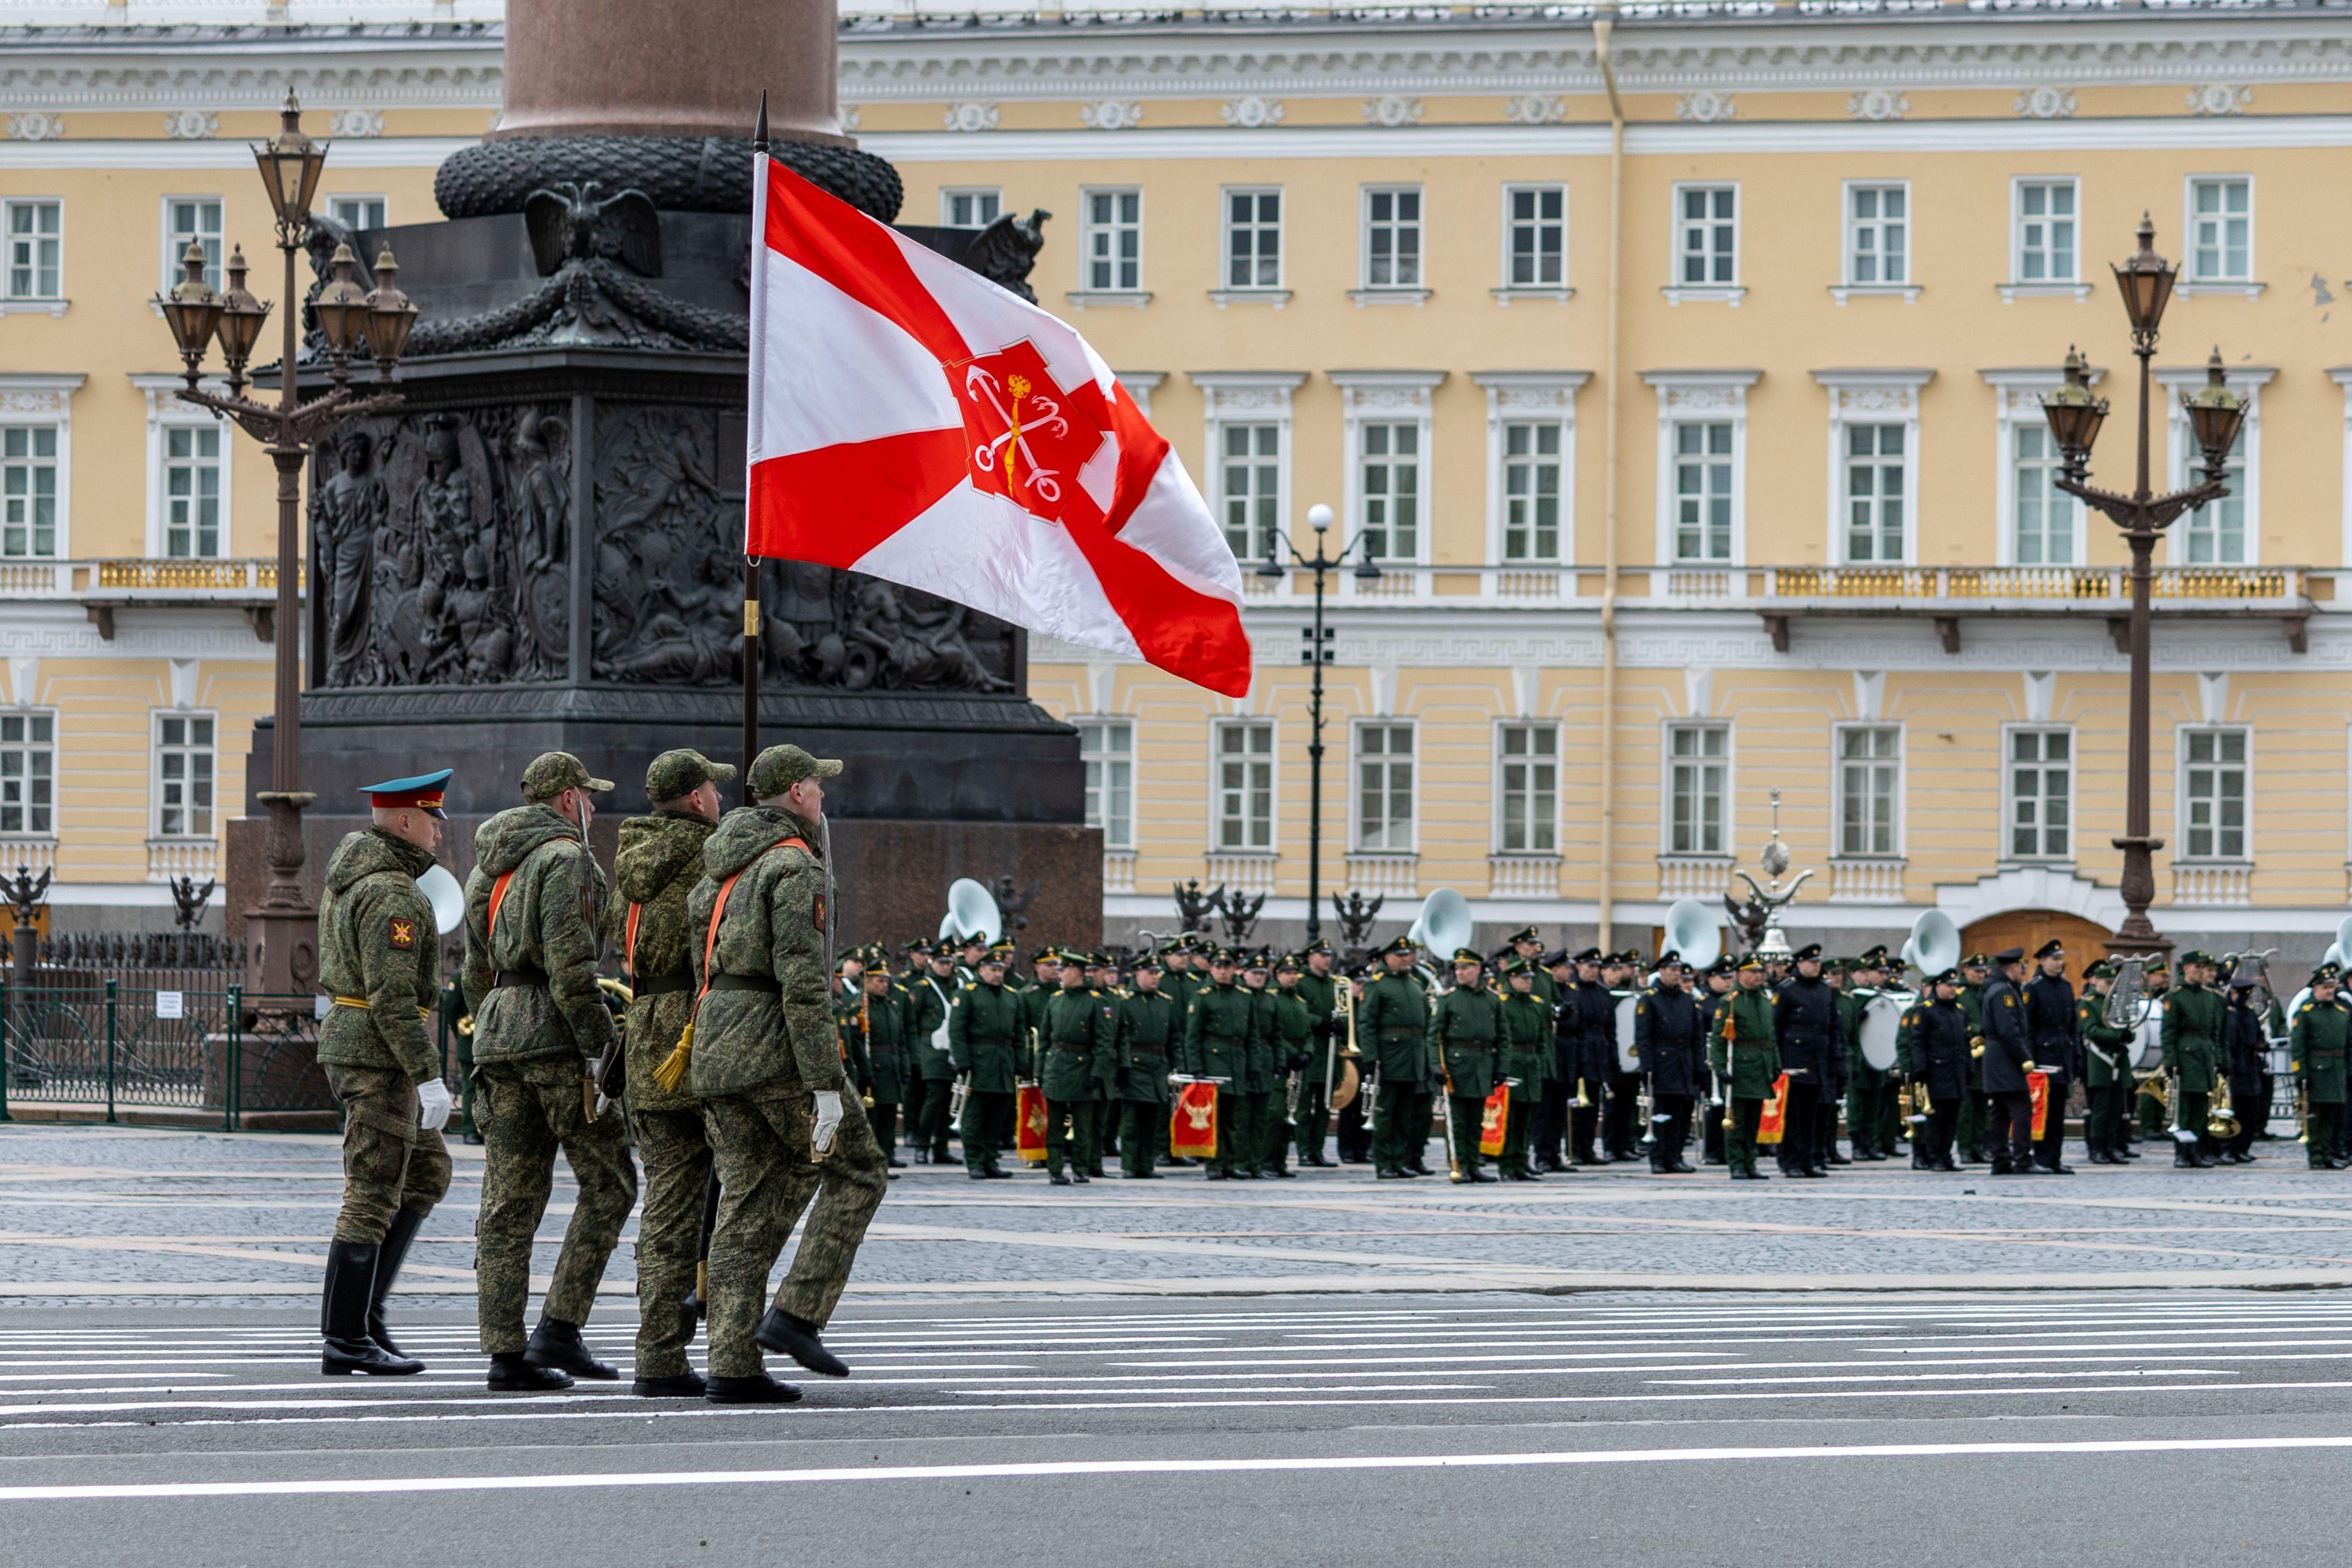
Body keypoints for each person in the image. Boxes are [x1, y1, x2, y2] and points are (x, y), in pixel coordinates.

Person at [689, 743, 887, 1404]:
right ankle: (798, 1314)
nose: (823, 798)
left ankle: (732, 1362)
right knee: (859, 1168)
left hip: (717, 1047)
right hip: (773, 1048)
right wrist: (826, 1084)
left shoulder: (720, 866)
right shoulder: (793, 866)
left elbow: (703, 963)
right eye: (818, 787)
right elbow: (804, 986)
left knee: (743, 1205)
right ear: (798, 792)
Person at [461, 751, 638, 1392]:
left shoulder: (490, 869)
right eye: (588, 798)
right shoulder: (567, 860)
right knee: (611, 1181)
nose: (592, 809)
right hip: (557, 1042)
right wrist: (604, 1049)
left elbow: (472, 969)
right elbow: (572, 969)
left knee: (508, 1201)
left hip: (500, 1037)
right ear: (567, 799)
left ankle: (504, 1351)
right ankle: (560, 1326)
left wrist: (496, 1021)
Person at [314, 768, 458, 1376]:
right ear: (404, 821)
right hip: (377, 1054)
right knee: (372, 1189)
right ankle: (346, 1336)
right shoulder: (392, 892)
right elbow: (394, 998)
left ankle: (367, 1317)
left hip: (367, 1047)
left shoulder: (365, 878)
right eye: (431, 822)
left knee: (426, 1171)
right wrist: (429, 1076)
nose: (439, 835)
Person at [606, 747, 734, 1398]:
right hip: (696, 1026)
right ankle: (726, 1339)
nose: (718, 796)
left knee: (666, 1201)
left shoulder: (632, 853)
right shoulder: (711, 854)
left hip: (645, 1027)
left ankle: (657, 1351)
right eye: (712, 788)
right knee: (732, 1189)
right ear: (694, 798)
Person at [1359, 936, 1435, 1179]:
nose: (1406, 959)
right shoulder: (1377, 984)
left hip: (1413, 1056)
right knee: (1386, 1112)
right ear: (1387, 958)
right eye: (1400, 955)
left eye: (1407, 955)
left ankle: (1400, 1160)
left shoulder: (1413, 985)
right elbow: (1367, 1024)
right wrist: (1371, 1056)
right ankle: (1384, 1162)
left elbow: (1426, 1024)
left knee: (1405, 1114)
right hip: (1389, 1056)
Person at [1428, 949, 1502, 1183]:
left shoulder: (1492, 999)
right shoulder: (1449, 999)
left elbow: (1503, 1037)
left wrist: (1502, 1067)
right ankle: (1458, 1163)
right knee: (1458, 1120)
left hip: (1483, 1063)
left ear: (1477, 969)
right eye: (1457, 969)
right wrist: (1436, 1067)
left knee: (1476, 1119)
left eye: (1465, 968)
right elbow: (1433, 1036)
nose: (1460, 973)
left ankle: (1473, 1163)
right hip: (1457, 1064)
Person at [1181, 948, 1256, 1179]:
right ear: (1211, 969)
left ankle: (1229, 1164)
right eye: (1218, 967)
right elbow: (1192, 1036)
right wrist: (1196, 1067)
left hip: (1237, 1061)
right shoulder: (1203, 996)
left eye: (1227, 967)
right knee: (1212, 1117)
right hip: (1213, 1060)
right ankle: (1213, 1165)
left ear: (1234, 969)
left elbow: (1252, 1035)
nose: (1223, 971)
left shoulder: (1245, 996)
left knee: (1233, 1119)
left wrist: (1253, 1066)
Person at [949, 948, 1023, 1179]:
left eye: (1001, 969)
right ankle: (975, 1162)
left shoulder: (1012, 995)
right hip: (978, 1062)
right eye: (993, 969)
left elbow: (1019, 1034)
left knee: (997, 1117)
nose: (998, 974)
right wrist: (963, 1061)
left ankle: (991, 1160)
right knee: (974, 1116)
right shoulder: (968, 994)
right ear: (981, 970)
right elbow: (957, 1031)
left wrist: (1021, 1063)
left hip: (1003, 1061)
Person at [1037, 949, 1109, 1186]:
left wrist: (1096, 1073)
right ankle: (1055, 1168)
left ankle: (1081, 1168)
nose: (1060, 974)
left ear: (1076, 972)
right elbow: (1044, 1040)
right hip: (1058, 1066)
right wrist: (1040, 1071)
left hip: (1083, 1066)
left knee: (1083, 1125)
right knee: (1055, 1124)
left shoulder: (1096, 1002)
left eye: (1063, 970)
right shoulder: (1055, 999)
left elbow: (1103, 1042)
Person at [1105, 952, 1179, 1177]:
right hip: (1134, 1064)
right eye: (1150, 973)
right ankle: (1129, 1164)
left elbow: (1174, 1038)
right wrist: (1122, 1066)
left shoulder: (1165, 1002)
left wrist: (1177, 1066)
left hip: (1158, 1065)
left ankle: (1146, 1164)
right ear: (1137, 974)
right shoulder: (1124, 1001)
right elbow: (1118, 1037)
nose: (1155, 978)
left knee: (1152, 1119)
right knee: (1131, 1120)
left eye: (1157, 973)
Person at [1711, 956, 1779, 1180]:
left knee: (1753, 1121)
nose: (1759, 976)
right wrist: (1720, 1067)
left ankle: (1750, 1162)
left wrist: (1776, 1064)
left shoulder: (1763, 999)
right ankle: (1737, 1164)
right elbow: (1720, 1040)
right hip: (1739, 1066)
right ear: (1741, 974)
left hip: (1760, 1067)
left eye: (1761, 972)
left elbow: (1771, 1037)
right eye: (1753, 972)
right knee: (1736, 1120)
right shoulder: (1730, 1001)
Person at [1772, 944, 1837, 1178]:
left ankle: (1807, 1160)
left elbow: (1833, 1028)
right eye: (1812, 962)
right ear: (1799, 964)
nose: (1816, 966)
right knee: (1793, 1116)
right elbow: (1776, 1028)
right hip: (1794, 1061)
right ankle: (1790, 1161)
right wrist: (1777, 1063)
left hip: (1817, 1061)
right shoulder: (1787, 990)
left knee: (1812, 1116)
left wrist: (1835, 1061)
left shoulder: (1824, 991)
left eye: (1818, 963)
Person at [1635, 955, 1702, 1175]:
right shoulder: (1650, 999)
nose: (1676, 974)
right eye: (1672, 970)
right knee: (1661, 1113)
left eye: (1678, 970)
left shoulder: (1687, 999)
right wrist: (1647, 1067)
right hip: (1662, 1061)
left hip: (1683, 1061)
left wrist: (1699, 1065)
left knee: (1682, 1113)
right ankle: (1658, 1157)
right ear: (1661, 971)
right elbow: (1643, 1038)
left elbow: (1697, 1036)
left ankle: (1675, 1156)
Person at [1900, 969, 1970, 1172]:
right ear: (1937, 986)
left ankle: (1946, 1155)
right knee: (1935, 1118)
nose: (1952, 990)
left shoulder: (1959, 1011)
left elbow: (1965, 1043)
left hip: (1956, 1072)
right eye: (1949, 986)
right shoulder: (1925, 1010)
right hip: (1935, 1072)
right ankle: (1934, 1156)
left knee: (1951, 1119)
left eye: (1955, 986)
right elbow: (1917, 1041)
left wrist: (1969, 1068)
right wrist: (1920, 1069)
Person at [2162, 951, 2227, 1169]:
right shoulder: (2176, 997)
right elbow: (2169, 1033)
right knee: (2184, 1109)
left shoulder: (2210, 997)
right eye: (2197, 967)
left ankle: (2195, 1151)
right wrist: (2171, 1061)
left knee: (2200, 1109)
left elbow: (2215, 1033)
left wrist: (2218, 1058)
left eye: (2204, 968)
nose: (2201, 972)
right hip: (2185, 1056)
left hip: (2204, 1056)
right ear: (2186, 968)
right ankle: (2182, 1153)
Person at [2022, 939, 2079, 1174]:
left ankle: (2055, 1157)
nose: (2058, 964)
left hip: (2061, 1054)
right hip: (2042, 1055)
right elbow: (2028, 1027)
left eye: (2060, 959)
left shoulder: (2065, 987)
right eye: (2054, 959)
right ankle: (2042, 1156)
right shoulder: (2032, 988)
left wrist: (2074, 1055)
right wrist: (2030, 1059)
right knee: (2041, 1112)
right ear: (2042, 961)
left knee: (2057, 1113)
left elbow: (2072, 1026)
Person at [1978, 947, 2036, 1175]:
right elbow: (2008, 1029)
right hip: (2005, 1057)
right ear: (2013, 967)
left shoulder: (1997, 988)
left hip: (1996, 1056)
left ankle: (2000, 1159)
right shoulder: (2004, 993)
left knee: (2000, 1111)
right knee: (2021, 1108)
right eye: (2020, 968)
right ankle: (2023, 1158)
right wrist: (2024, 1057)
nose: (2022, 972)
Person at [1497, 956, 1552, 1180]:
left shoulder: (1535, 1004)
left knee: (1526, 1118)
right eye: (1523, 978)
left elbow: (1541, 1038)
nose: (1528, 982)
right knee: (1510, 1118)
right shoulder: (1503, 1003)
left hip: (1530, 1063)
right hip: (1513, 1061)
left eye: (1530, 978)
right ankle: (1508, 1164)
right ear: (1511, 978)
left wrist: (1540, 1062)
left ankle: (1521, 1160)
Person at [2078, 960, 2136, 1165]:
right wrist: (2118, 1035)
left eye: (2114, 983)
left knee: (2116, 1107)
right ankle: (2097, 1148)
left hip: (2119, 1059)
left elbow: (2128, 1026)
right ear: (2097, 981)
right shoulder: (2089, 1003)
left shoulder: (2116, 1003)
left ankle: (2112, 1146)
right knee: (2101, 1108)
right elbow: (2091, 1030)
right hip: (2099, 1059)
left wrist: (2128, 1035)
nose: (2111, 986)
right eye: (2107, 982)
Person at [2292, 967, 2348, 1170]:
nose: (2329, 991)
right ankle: (2316, 1155)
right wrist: (2301, 1073)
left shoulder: (2341, 1014)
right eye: (2325, 987)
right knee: (2315, 1117)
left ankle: (2328, 1153)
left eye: (2332, 987)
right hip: (2316, 1071)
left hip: (2337, 1071)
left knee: (2333, 1116)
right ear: (2315, 989)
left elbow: (2348, 1046)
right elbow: (2298, 1047)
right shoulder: (2307, 1013)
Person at [1292, 939, 1341, 1167]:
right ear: (1311, 957)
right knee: (1304, 1104)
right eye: (1322, 955)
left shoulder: (1333, 983)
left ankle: (1317, 1149)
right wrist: (1318, 1022)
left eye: (1329, 955)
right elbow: (1297, 1011)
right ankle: (1303, 1150)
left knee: (1324, 1105)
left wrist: (1340, 1023)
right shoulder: (1301, 983)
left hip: (1329, 1052)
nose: (1327, 959)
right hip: (1310, 1049)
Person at [1264, 953, 1313, 1179]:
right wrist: (1293, 1053)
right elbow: (1273, 1032)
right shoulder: (1271, 998)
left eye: (1295, 973)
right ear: (1277, 975)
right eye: (1287, 973)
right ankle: (1266, 1160)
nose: (1292, 977)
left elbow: (1308, 1032)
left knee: (1288, 1114)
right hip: (1280, 1059)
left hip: (1297, 1060)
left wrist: (1307, 1052)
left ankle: (1280, 1160)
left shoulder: (1300, 1002)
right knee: (1274, 1114)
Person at [1599, 951, 1644, 1162]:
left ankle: (1625, 1144)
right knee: (1612, 1106)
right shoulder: (1604, 995)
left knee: (1629, 1105)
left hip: (1629, 1057)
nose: (1622, 974)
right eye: (1615, 970)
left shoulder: (1631, 994)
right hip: (1610, 1056)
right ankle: (1610, 1146)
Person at [1954, 952, 1991, 1163]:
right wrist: (1978, 1030)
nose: (1980, 975)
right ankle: (1966, 1148)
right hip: (1967, 1057)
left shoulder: (1986, 992)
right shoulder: (1960, 993)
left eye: (1982, 972)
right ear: (1966, 971)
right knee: (1966, 1110)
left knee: (1981, 1109)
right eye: (1976, 972)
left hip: (1985, 1058)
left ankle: (1979, 1146)